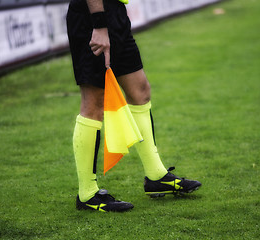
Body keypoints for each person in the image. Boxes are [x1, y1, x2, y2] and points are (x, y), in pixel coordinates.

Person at [66, 0, 201, 212]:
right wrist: (99, 24)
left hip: (115, 13)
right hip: (92, 17)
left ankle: (156, 176)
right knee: (93, 103)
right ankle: (87, 193)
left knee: (140, 91)